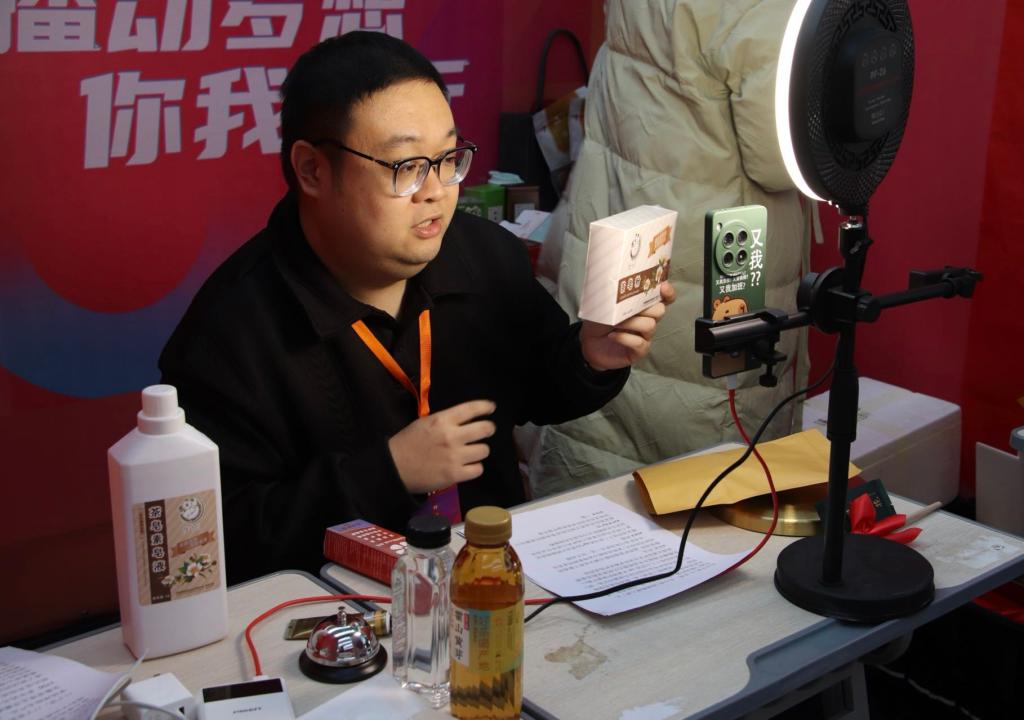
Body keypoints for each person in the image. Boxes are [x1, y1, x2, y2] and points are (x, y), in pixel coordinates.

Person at [159, 31, 675, 585]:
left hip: (490, 581)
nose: (437, 191)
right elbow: (219, 539)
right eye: (406, 166)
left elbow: (541, 390)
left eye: (448, 158)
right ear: (312, 170)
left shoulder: (483, 254)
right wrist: (389, 472)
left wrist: (591, 356)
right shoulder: (229, 331)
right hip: (331, 609)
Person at [526, 0, 813, 497]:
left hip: (624, 223)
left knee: (602, 417)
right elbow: (780, 156)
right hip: (714, 254)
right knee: (705, 471)